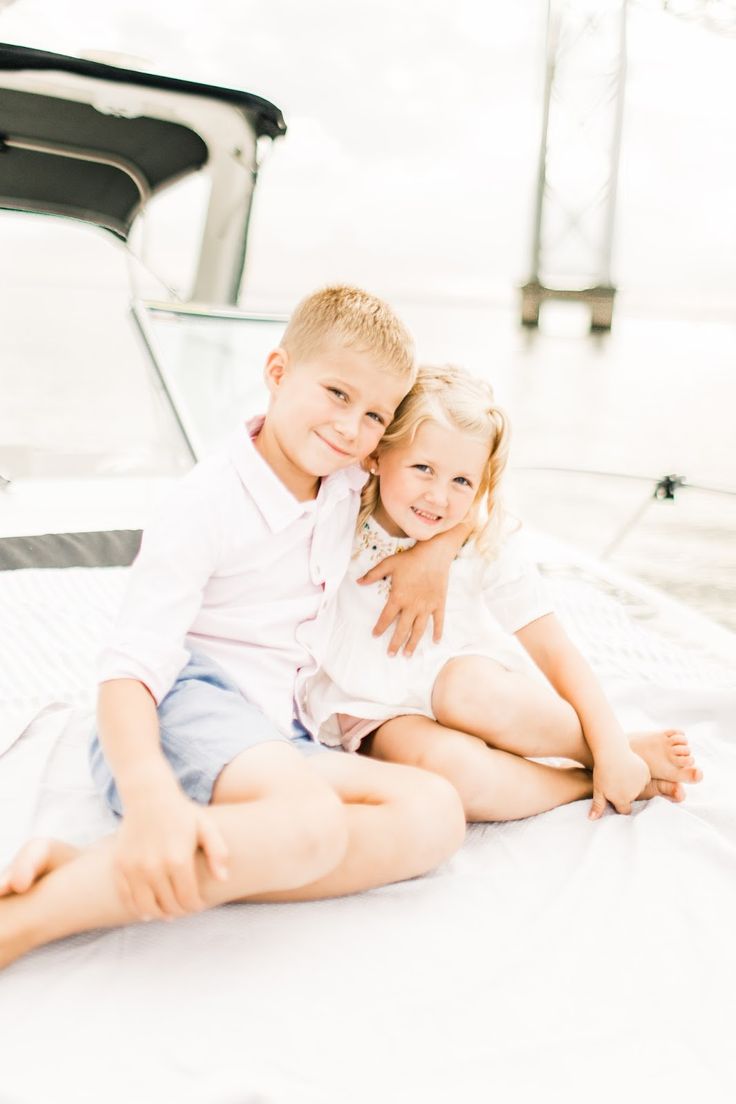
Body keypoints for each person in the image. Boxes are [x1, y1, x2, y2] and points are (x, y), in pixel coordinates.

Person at [0, 288, 468, 969]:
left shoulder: (345, 484)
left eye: (375, 415)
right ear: (277, 374)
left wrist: (437, 551)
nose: (351, 427)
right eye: (337, 393)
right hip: (182, 709)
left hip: (271, 730)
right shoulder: (204, 503)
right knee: (311, 826)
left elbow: (449, 490)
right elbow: (129, 668)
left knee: (434, 815)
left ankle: (95, 870)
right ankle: (32, 920)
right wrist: (150, 797)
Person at [297, 364, 703, 822]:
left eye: (461, 481)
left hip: (465, 687)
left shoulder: (481, 540)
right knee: (454, 778)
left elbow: (553, 648)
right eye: (423, 468)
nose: (438, 497)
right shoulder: (337, 511)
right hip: (373, 709)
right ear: (376, 456)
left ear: (481, 486)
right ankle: (587, 778)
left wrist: (608, 735)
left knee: (466, 691)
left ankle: (609, 748)